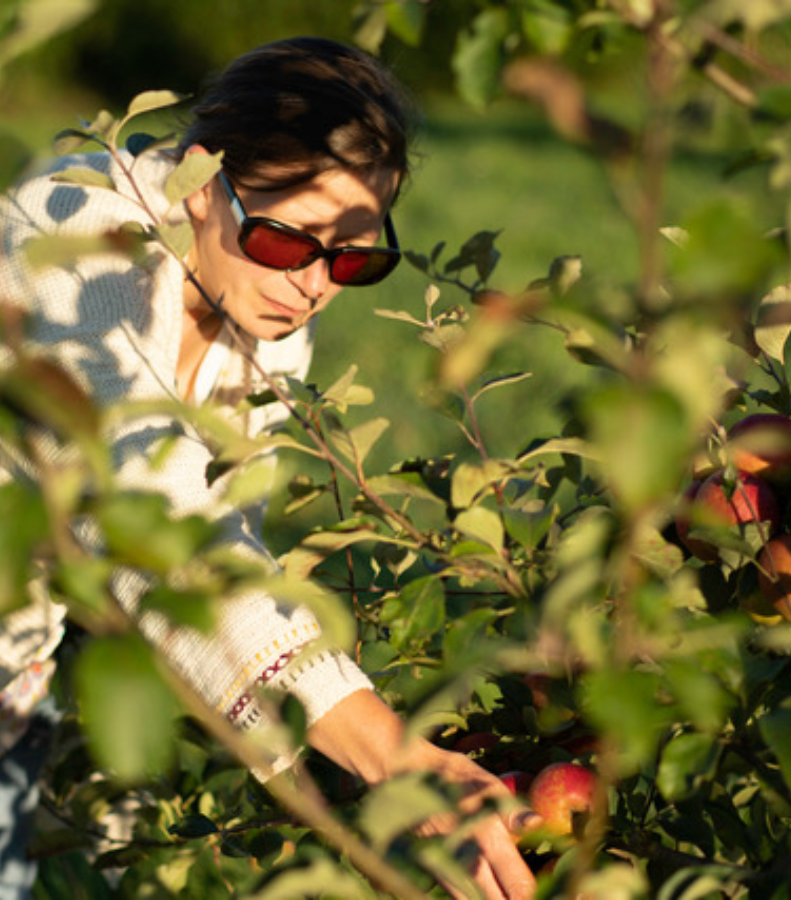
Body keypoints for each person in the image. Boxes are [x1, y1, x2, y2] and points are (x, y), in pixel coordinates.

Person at [0, 37, 538, 898]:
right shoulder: (64, 241)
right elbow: (149, 517)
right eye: (291, 242)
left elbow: (217, 527)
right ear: (202, 181)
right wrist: (385, 752)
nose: (314, 285)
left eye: (355, 258)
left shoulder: (259, 295)